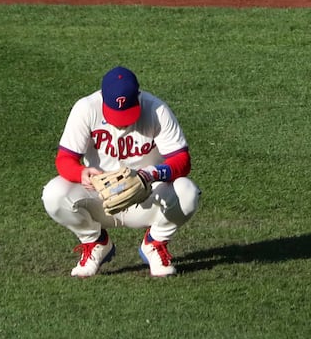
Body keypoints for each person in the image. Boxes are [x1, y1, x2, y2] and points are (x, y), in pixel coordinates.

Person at [41, 66, 201, 277]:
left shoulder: (156, 110)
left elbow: (182, 160)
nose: (122, 121)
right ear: (103, 99)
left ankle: (155, 243)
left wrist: (150, 174)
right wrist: (81, 173)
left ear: (138, 97)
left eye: (127, 113)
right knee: (54, 194)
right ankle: (95, 242)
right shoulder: (86, 108)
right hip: (100, 197)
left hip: (147, 197)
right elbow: (65, 159)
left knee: (187, 192)